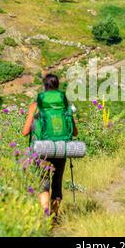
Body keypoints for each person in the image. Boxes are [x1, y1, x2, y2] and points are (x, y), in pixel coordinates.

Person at [22, 74, 78, 218]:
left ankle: (46, 216)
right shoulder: (65, 106)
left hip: (42, 150)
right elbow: (75, 132)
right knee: (57, 183)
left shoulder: (35, 105)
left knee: (44, 184)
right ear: (58, 87)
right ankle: (55, 218)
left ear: (44, 87)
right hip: (60, 149)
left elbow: (25, 132)